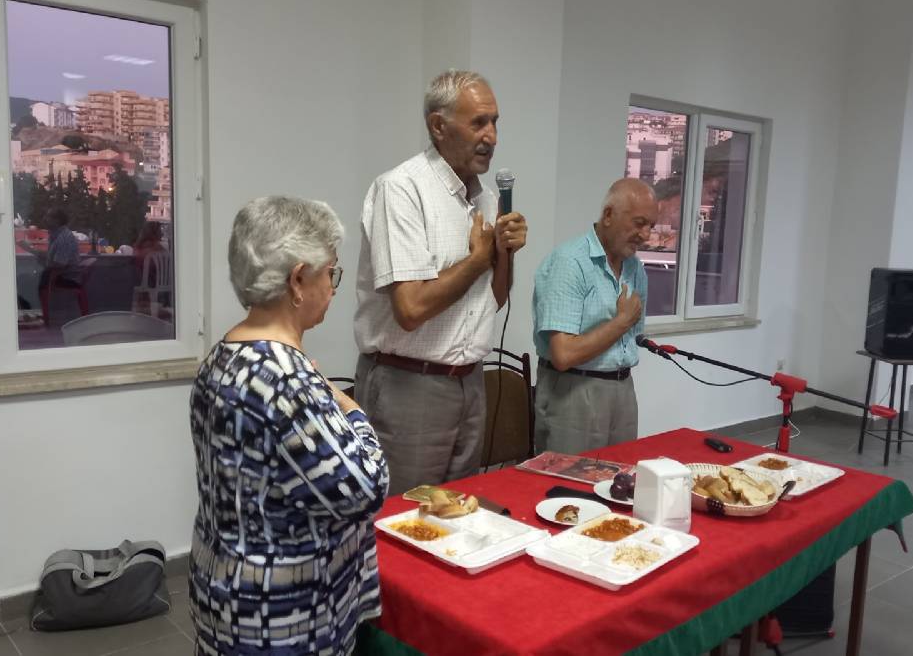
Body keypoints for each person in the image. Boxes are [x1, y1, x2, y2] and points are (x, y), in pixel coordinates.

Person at [188, 196, 388, 656]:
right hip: (279, 618)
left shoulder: (221, 357)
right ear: (299, 280)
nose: (333, 288)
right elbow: (366, 486)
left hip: (224, 591)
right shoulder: (286, 380)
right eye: (330, 273)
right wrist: (347, 406)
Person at [353, 69, 528, 494]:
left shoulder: (487, 197)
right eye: (479, 122)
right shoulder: (402, 190)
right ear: (438, 126)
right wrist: (477, 260)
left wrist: (506, 254)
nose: (492, 136)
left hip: (470, 382)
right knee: (403, 520)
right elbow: (410, 310)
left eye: (496, 122)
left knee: (455, 521)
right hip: (408, 385)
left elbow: (496, 298)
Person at [532, 178, 658, 453]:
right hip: (574, 391)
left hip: (623, 389)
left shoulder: (636, 269)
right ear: (608, 215)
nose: (646, 235)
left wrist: (624, 326)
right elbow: (563, 355)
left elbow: (631, 340)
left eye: (651, 225)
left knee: (621, 482)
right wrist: (621, 322)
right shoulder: (570, 262)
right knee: (570, 486)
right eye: (639, 223)